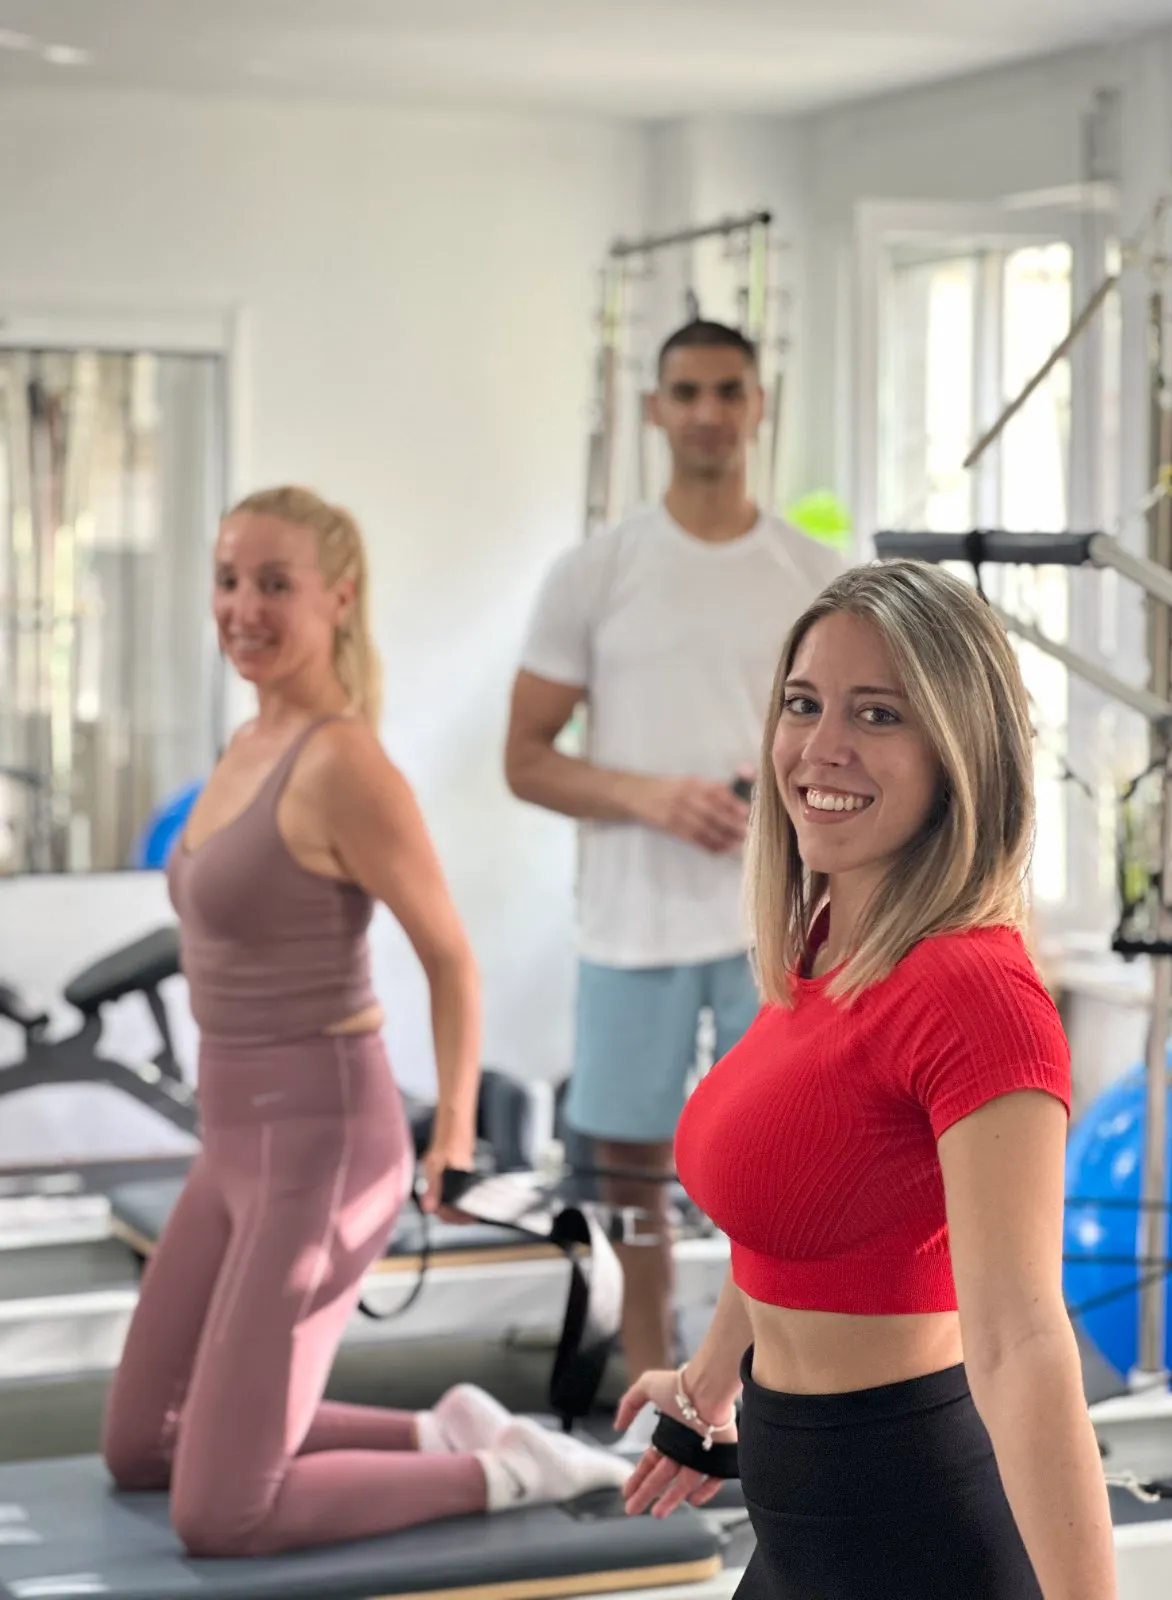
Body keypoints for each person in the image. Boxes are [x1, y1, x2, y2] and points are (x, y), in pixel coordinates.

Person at [102, 485, 629, 1559]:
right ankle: (444, 1427)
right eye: (229, 580)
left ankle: (508, 1470)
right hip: (230, 1144)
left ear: (338, 599)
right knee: (139, 1445)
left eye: (275, 584)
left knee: (222, 1513)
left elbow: (450, 957)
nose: (243, 608)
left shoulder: (344, 762)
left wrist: (452, 1139)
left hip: (323, 1148)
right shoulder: (247, 740)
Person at [616, 560, 1117, 1599]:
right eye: (804, 703)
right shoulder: (828, 943)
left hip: (915, 1528)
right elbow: (789, 1210)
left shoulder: (972, 992)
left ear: (957, 752)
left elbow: (1024, 1344)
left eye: (878, 714)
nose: (821, 747)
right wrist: (709, 1385)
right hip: (798, 1519)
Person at [505, 320, 844, 1383]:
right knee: (632, 1168)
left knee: (779, 1160)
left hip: (777, 921)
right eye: (687, 391)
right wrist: (648, 796)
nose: (708, 412)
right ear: (655, 409)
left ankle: (774, 1373)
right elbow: (525, 758)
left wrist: (789, 795)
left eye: (728, 390)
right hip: (633, 922)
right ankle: (650, 1369)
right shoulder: (594, 572)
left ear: (759, 405)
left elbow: (866, 741)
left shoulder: (816, 575)